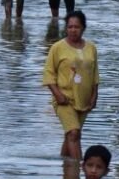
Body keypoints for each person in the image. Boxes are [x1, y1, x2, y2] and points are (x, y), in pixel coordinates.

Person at [42, 10, 98, 161]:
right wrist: (58, 95)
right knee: (74, 133)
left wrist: (94, 96)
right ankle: (79, 167)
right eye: (70, 27)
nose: (73, 30)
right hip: (64, 99)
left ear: (83, 28)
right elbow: (48, 74)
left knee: (71, 135)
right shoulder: (57, 48)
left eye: (77, 27)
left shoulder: (91, 48)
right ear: (66, 28)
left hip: (83, 100)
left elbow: (95, 75)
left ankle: (66, 168)